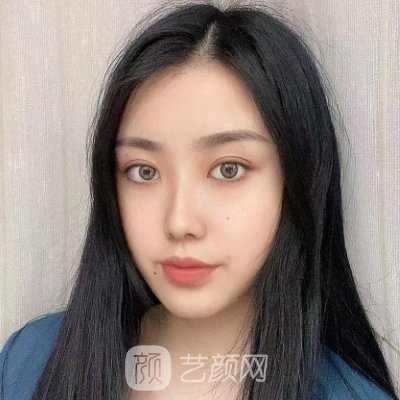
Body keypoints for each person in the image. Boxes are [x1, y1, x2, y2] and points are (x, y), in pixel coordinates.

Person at [0, 1, 398, 399]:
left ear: (298, 179)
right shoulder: (28, 362)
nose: (180, 222)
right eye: (144, 171)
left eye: (229, 169)